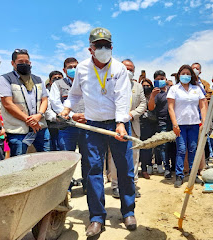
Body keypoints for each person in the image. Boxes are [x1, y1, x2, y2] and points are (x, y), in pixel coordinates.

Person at [60, 27, 136, 237]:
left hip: (117, 124)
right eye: (98, 46)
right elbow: (75, 95)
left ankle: (128, 211)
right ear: (90, 48)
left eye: (106, 45)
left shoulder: (119, 68)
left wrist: (121, 122)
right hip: (93, 127)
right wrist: (67, 108)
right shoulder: (83, 69)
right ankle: (96, 217)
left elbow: (123, 97)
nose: (103, 49)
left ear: (112, 47)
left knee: (124, 168)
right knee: (93, 170)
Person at [0, 49, 50, 156]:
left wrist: (39, 115)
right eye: (21, 62)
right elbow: (8, 104)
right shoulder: (5, 79)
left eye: (27, 62)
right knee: (18, 162)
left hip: (40, 127)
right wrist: (29, 120)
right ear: (13, 63)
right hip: (18, 130)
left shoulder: (38, 79)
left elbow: (44, 99)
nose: (24, 64)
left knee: (46, 158)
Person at [109, 59, 146, 198]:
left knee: (134, 157)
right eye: (125, 68)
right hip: (117, 125)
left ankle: (132, 184)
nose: (128, 71)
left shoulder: (137, 86)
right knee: (115, 157)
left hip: (133, 124)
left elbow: (143, 104)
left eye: (131, 69)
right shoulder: (112, 84)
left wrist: (131, 115)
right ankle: (116, 185)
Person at [49, 58, 87, 193]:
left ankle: (88, 187)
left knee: (88, 158)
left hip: (86, 126)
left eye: (76, 66)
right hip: (67, 128)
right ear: (64, 70)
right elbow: (55, 103)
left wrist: (86, 115)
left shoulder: (86, 82)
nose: (73, 69)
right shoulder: (57, 84)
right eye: (70, 67)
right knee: (66, 160)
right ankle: (66, 190)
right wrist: (72, 116)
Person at [167, 64, 207, 188]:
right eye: (183, 74)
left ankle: (193, 174)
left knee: (193, 149)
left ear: (191, 76)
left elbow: (202, 105)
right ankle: (179, 175)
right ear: (179, 75)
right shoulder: (174, 89)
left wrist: (204, 120)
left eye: (188, 74)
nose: (185, 76)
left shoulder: (197, 88)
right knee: (181, 149)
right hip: (180, 125)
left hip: (194, 124)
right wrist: (174, 124)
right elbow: (170, 107)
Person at [148, 70, 172, 179]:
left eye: (162, 79)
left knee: (174, 146)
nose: (160, 81)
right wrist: (152, 96)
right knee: (163, 146)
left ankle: (174, 167)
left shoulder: (172, 91)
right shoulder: (155, 93)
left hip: (174, 122)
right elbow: (151, 107)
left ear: (166, 79)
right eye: (157, 80)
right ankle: (166, 168)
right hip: (161, 122)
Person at [139, 78, 157, 178]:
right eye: (144, 86)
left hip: (153, 124)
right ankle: (144, 169)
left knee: (151, 148)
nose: (146, 87)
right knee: (143, 147)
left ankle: (150, 165)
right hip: (142, 124)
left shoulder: (154, 96)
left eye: (148, 85)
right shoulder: (140, 96)